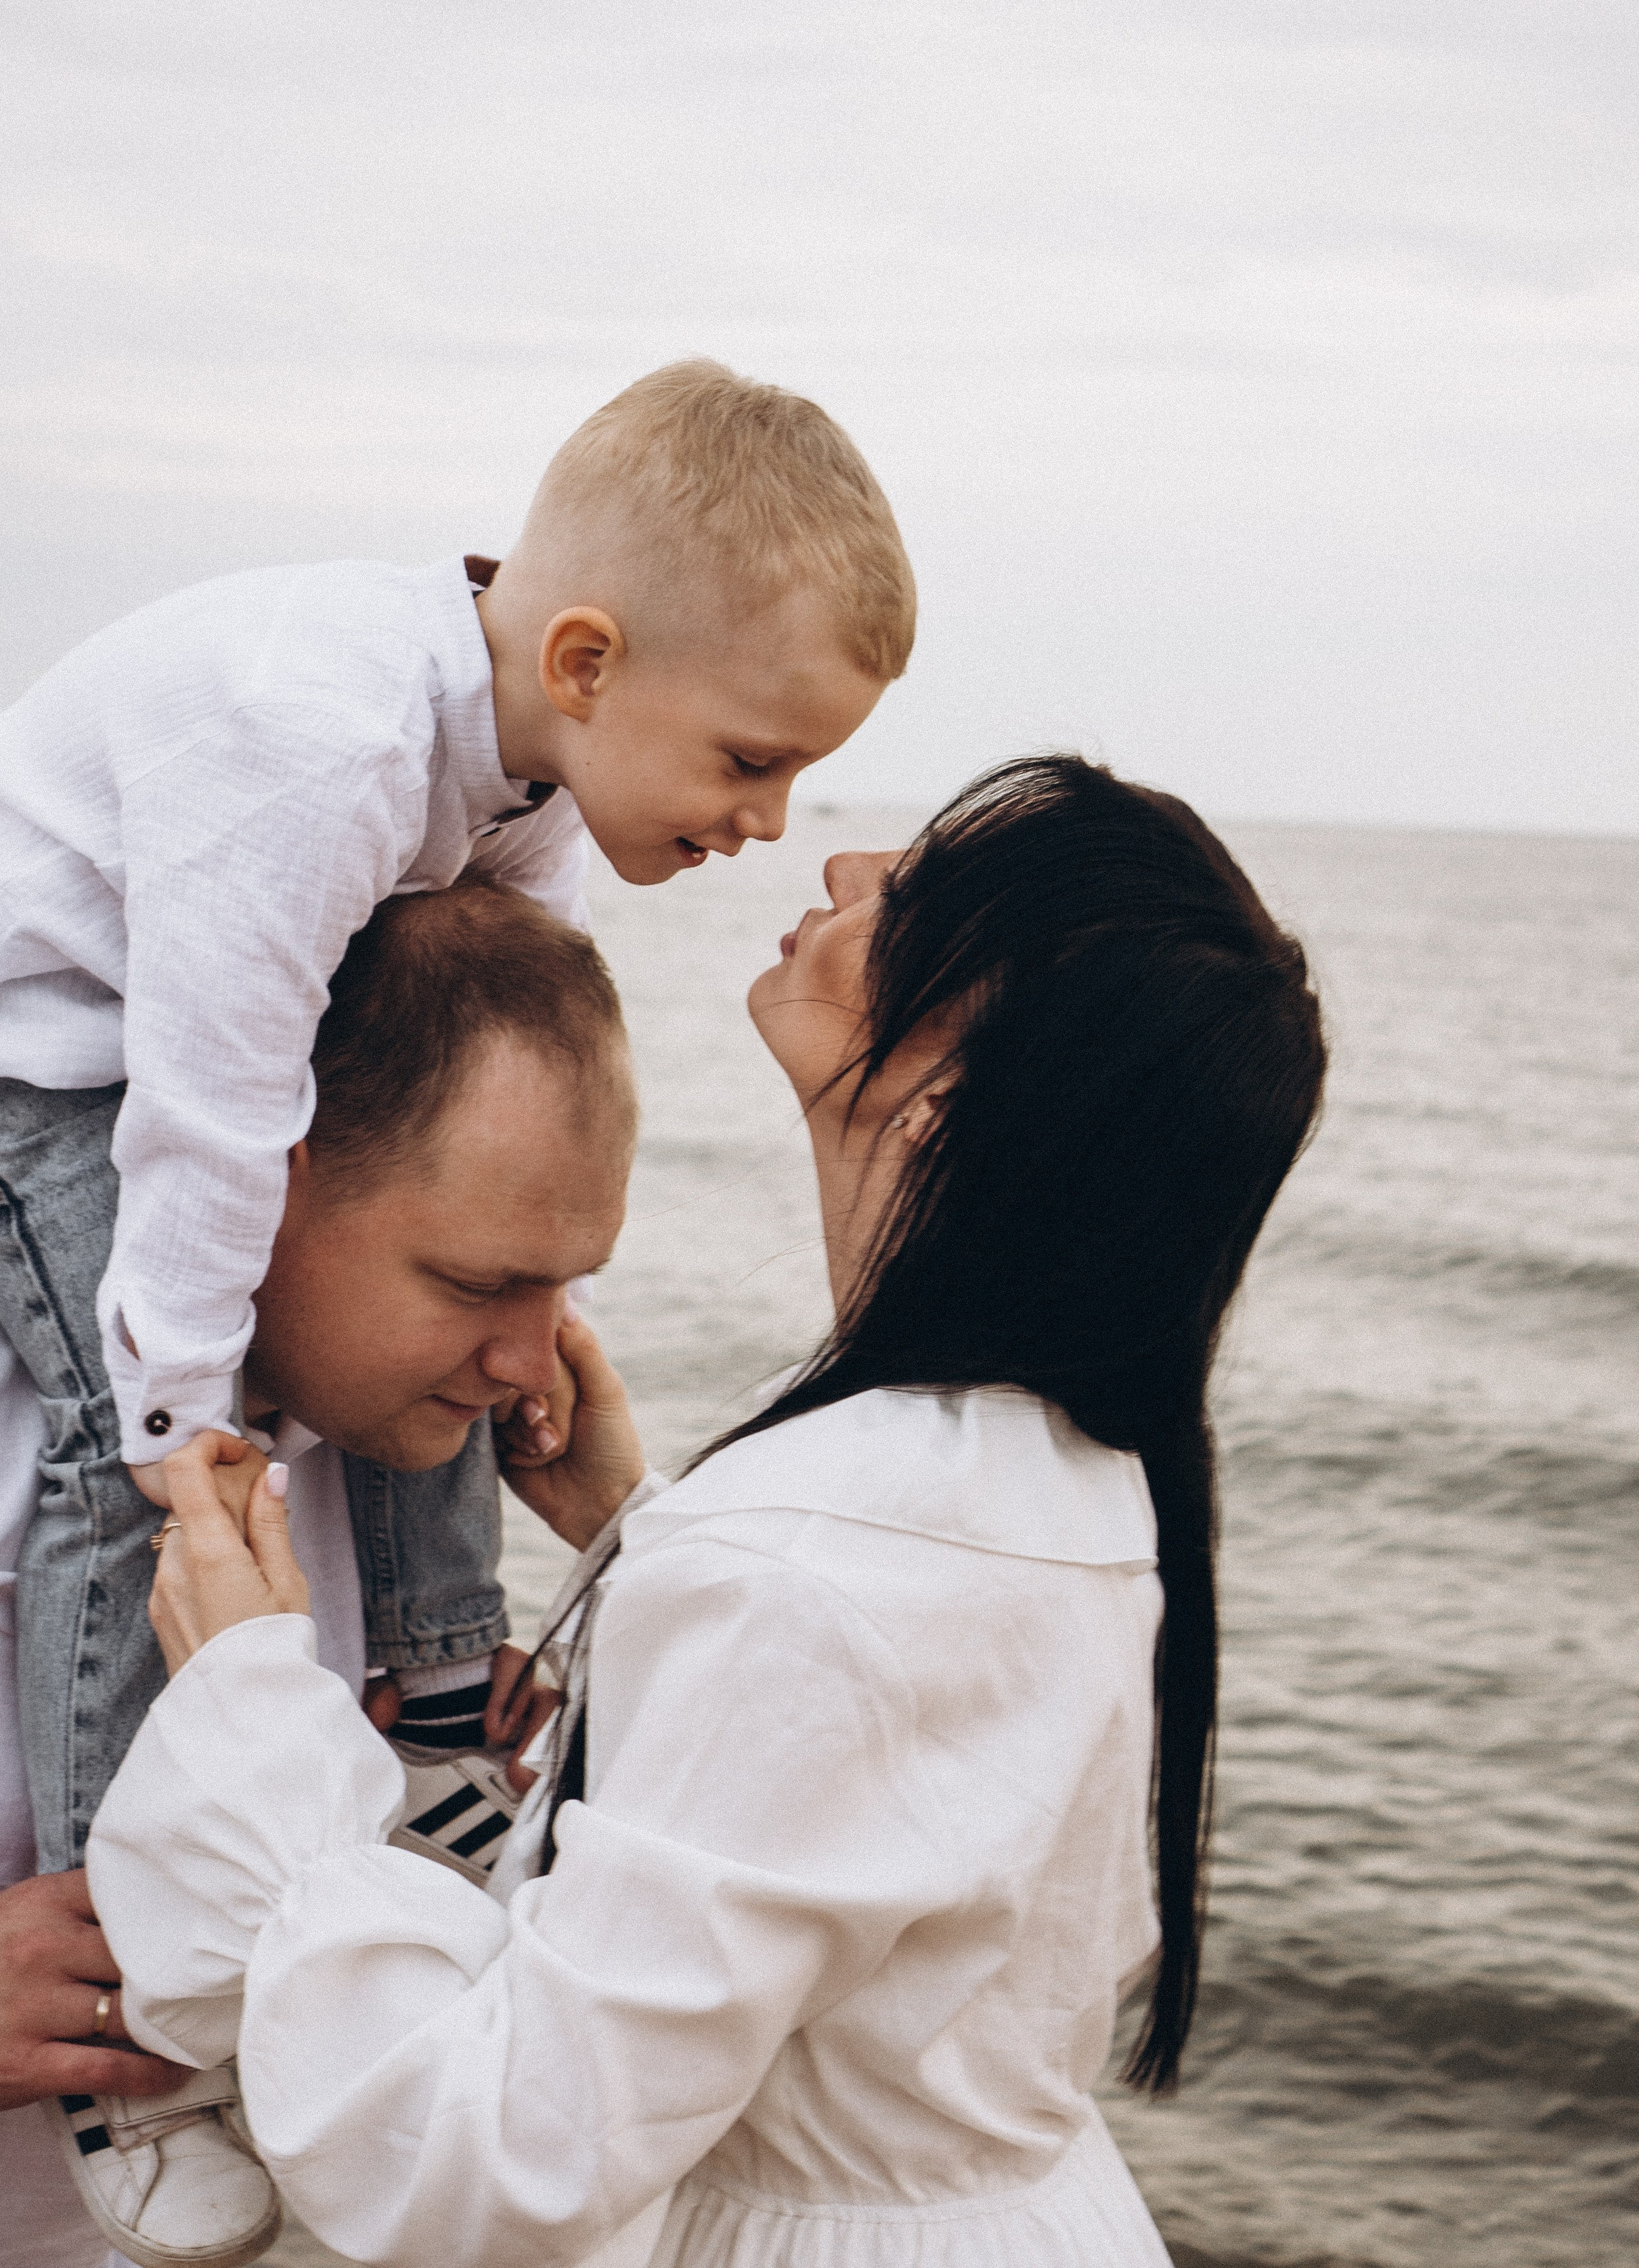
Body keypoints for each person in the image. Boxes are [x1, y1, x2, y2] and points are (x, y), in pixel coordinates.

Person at [85, 754, 1328, 2268]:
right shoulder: (1069, 1470)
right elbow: (876, 1778)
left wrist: (251, 1713)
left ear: (944, 1100)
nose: (847, 865)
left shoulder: (812, 1558)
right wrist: (638, 1526)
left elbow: (483, 2166)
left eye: (923, 889)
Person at [0, 875, 638, 2268]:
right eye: (480, 1285)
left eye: (566, 1285)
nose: (532, 1362)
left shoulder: (378, 1445)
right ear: (261, 1179)